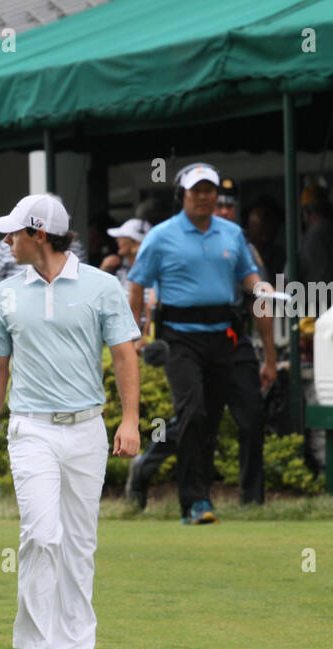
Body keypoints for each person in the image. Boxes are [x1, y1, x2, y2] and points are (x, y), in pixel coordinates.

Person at [0, 194, 140, 649]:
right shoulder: (3, 293)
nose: (6, 242)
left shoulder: (102, 287)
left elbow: (125, 356)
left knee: (79, 545)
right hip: (32, 430)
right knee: (42, 536)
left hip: (87, 429)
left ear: (39, 234)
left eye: (14, 233)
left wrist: (130, 420)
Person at [127, 163, 274, 524]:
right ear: (182, 195)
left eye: (210, 190)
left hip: (223, 333)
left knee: (208, 420)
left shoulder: (232, 233)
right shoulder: (161, 236)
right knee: (192, 413)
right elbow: (137, 285)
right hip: (179, 336)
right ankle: (195, 502)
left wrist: (261, 287)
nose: (205, 197)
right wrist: (134, 335)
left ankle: (208, 496)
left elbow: (247, 275)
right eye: (197, 191)